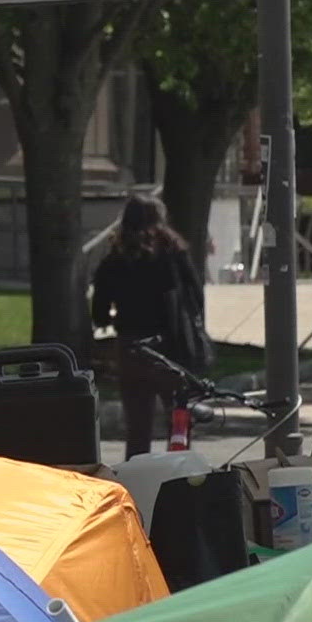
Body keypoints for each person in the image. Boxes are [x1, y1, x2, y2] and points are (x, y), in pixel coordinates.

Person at [91, 195, 204, 458]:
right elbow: (196, 296)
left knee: (138, 428)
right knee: (179, 422)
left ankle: (137, 484)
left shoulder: (114, 259)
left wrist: (115, 319)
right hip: (171, 348)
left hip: (131, 348)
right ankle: (180, 478)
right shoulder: (175, 255)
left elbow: (99, 310)